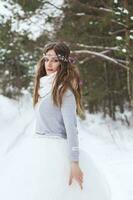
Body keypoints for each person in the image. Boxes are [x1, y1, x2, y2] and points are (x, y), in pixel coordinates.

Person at [31, 41, 111, 200]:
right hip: (41, 151)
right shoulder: (43, 87)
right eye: (46, 59)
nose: (49, 64)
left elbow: (71, 128)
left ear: (63, 63)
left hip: (57, 152)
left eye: (55, 59)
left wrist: (74, 162)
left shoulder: (64, 91)